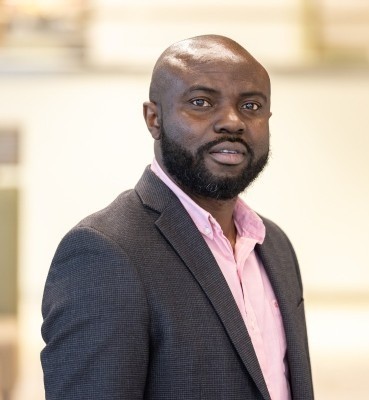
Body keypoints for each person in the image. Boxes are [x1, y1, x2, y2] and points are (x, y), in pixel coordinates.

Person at [41, 34, 314, 400]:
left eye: (250, 106)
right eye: (201, 102)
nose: (232, 121)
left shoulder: (273, 245)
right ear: (154, 118)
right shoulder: (103, 253)